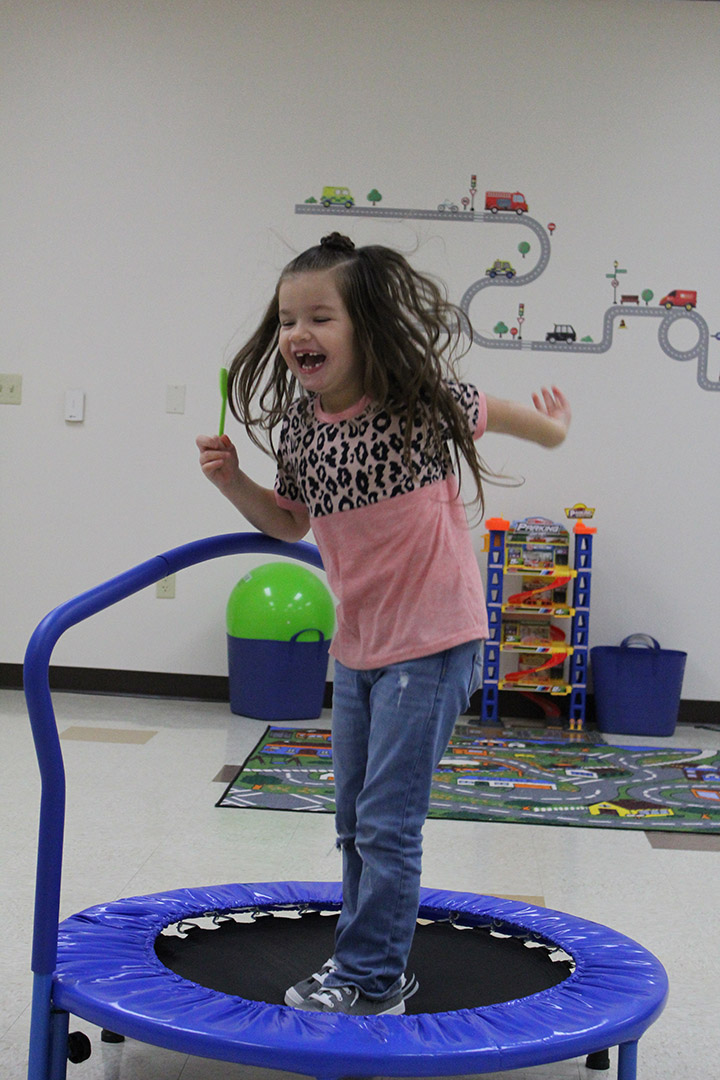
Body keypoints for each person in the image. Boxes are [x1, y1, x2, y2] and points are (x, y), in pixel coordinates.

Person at [197, 233, 571, 1016]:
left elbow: (503, 416)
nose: (300, 333)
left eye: (321, 316)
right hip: (362, 644)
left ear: (365, 325)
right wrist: (234, 482)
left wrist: (553, 429)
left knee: (387, 822)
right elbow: (290, 523)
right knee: (353, 820)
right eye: (289, 318)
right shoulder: (303, 429)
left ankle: (372, 977)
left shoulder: (418, 402)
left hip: (434, 640)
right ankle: (364, 960)